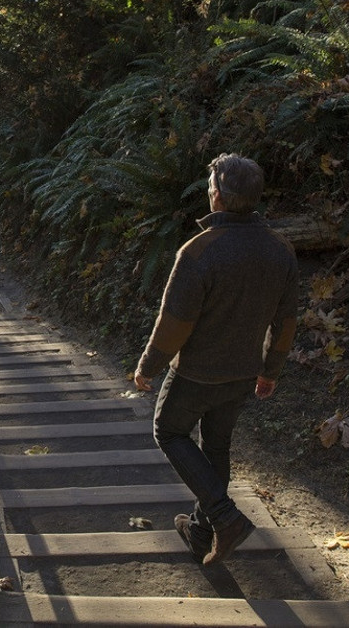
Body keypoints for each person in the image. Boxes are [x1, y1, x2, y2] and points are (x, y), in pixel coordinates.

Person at [133, 153, 298, 565]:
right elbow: (287, 320)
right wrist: (270, 370)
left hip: (195, 374)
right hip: (243, 373)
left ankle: (225, 519)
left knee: (168, 431)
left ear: (218, 198)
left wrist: (148, 366)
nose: (209, 193)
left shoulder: (199, 250)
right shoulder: (280, 250)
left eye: (210, 188)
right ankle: (202, 531)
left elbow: (175, 323)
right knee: (216, 446)